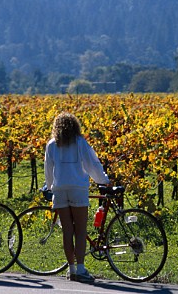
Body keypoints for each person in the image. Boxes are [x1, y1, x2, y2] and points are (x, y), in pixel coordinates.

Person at [44, 112, 110, 283]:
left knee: (68, 231)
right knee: (80, 230)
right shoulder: (80, 143)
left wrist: (51, 187)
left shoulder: (51, 145)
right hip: (77, 189)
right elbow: (92, 164)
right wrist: (104, 180)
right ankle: (80, 269)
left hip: (60, 189)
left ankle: (71, 269)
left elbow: (48, 170)